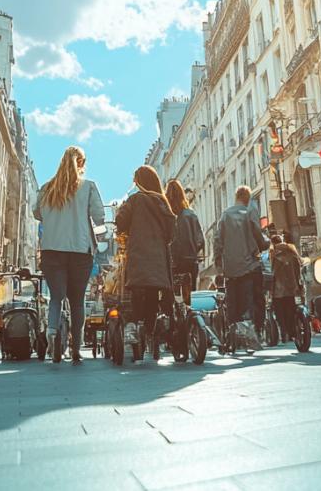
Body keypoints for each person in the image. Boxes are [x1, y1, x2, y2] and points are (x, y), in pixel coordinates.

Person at [34, 146, 105, 364]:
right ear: (81, 164)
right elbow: (100, 216)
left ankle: (53, 334)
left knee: (56, 297)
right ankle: (76, 348)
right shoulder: (89, 187)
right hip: (79, 250)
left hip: (51, 249)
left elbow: (37, 213)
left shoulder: (47, 188)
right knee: (77, 299)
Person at [116, 166, 177, 354]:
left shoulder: (135, 200)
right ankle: (149, 332)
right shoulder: (162, 202)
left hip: (138, 254)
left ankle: (133, 326)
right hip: (158, 257)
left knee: (136, 291)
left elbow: (121, 223)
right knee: (152, 295)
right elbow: (171, 232)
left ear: (139, 182)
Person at [214, 186, 267, 349]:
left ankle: (233, 337)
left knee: (233, 303)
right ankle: (252, 332)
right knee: (251, 299)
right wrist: (265, 244)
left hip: (230, 268)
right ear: (248, 199)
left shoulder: (225, 215)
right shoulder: (249, 213)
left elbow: (217, 241)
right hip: (248, 266)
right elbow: (258, 236)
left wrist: (219, 263)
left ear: (236, 196)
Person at [167, 179, 204, 302]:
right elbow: (200, 240)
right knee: (191, 298)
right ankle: (191, 318)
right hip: (191, 262)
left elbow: (170, 241)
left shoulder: (170, 218)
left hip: (175, 264)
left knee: (174, 298)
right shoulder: (191, 215)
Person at [270, 233, 302, 344]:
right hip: (293, 288)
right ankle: (293, 331)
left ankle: (284, 333)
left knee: (280, 314)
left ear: (273, 243)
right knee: (291, 310)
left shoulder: (273, 254)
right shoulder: (292, 251)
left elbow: (272, 273)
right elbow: (299, 270)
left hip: (278, 291)